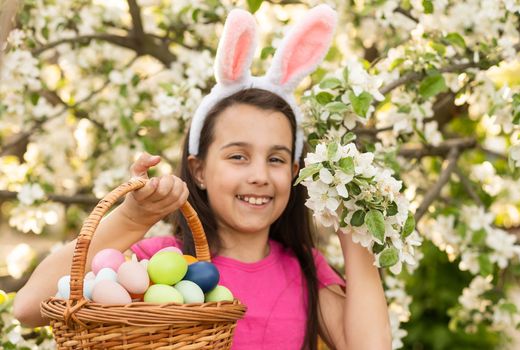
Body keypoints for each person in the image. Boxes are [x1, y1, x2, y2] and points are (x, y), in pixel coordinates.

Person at [14, 5, 391, 349]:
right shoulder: (158, 265)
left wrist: (355, 226)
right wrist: (133, 218)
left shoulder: (305, 269)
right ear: (198, 170)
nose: (259, 175)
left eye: (276, 159)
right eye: (238, 156)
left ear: (296, 173)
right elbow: (29, 308)